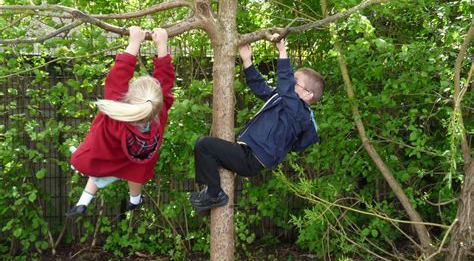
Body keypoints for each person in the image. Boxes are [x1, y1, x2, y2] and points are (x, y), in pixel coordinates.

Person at [190, 34, 324, 212]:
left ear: (308, 95)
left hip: (252, 159)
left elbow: (284, 87)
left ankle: (214, 195)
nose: (289, 82)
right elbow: (261, 88)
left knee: (204, 145)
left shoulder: (300, 115)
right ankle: (212, 191)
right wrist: (247, 61)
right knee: (210, 152)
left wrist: (282, 52)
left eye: (294, 81)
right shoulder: (281, 99)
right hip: (247, 152)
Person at [66, 26, 175, 216]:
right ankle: (135, 199)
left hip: (111, 155)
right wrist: (162, 45)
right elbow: (165, 83)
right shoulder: (159, 114)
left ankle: (83, 202)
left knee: (100, 167)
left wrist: (134, 42)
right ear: (157, 101)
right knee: (136, 168)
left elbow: (118, 76)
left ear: (129, 95)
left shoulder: (116, 112)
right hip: (135, 158)